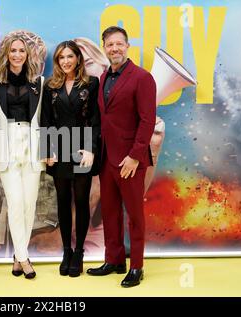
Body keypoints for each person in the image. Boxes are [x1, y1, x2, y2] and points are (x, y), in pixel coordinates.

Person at [86, 26, 156, 288]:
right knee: (110, 212)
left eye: (119, 44)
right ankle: (114, 260)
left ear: (127, 46)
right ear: (104, 47)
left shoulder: (142, 77)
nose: (114, 49)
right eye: (109, 45)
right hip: (107, 159)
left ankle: (136, 266)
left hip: (130, 161)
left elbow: (147, 120)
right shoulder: (103, 77)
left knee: (135, 215)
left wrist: (135, 156)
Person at [0, 33, 45, 279]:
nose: (17, 55)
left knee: (30, 204)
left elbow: (45, 120)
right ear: (6, 54)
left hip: (32, 147)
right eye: (13, 51)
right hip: (6, 146)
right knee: (15, 203)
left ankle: (18, 256)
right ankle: (24, 257)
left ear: (28, 54)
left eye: (22, 50)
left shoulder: (39, 82)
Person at [41, 40, 100, 277]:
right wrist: (46, 150)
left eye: (69, 57)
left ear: (77, 59)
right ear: (57, 61)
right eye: (61, 58)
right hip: (59, 149)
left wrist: (91, 148)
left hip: (82, 149)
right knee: (63, 201)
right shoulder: (50, 86)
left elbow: (95, 119)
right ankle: (66, 250)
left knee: (81, 200)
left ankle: (79, 251)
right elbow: (46, 120)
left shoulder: (91, 83)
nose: (65, 61)